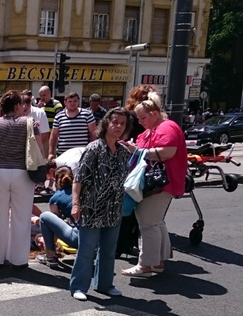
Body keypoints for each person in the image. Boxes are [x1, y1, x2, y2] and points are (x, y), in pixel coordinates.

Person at [120, 94, 187, 277]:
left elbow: (167, 152)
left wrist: (138, 151)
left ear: (155, 113)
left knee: (148, 223)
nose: (140, 122)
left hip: (159, 183)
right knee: (155, 222)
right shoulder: (157, 128)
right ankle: (158, 261)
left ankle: (146, 265)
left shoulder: (167, 127)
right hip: (159, 183)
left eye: (143, 117)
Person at [70, 107, 133, 301]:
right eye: (115, 122)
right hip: (92, 207)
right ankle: (79, 286)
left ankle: (105, 284)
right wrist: (75, 204)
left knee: (108, 250)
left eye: (122, 123)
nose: (118, 126)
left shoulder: (123, 151)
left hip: (114, 208)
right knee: (87, 250)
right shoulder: (94, 148)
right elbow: (78, 179)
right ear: (106, 123)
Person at [0, 90, 41, 268]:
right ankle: (19, 259)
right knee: (21, 217)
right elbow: (38, 149)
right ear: (17, 106)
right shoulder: (29, 123)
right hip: (23, 173)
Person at [38, 166, 77, 266]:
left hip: (77, 238)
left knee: (45, 216)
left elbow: (54, 225)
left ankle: (50, 256)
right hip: (95, 238)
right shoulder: (81, 191)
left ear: (56, 181)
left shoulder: (56, 198)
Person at [49, 92, 97, 160]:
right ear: (65, 102)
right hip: (63, 155)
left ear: (78, 101)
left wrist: (91, 150)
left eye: (75, 101)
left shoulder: (87, 114)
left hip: (82, 155)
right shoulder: (59, 117)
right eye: (70, 101)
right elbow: (53, 135)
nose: (72, 103)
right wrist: (50, 153)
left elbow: (93, 133)